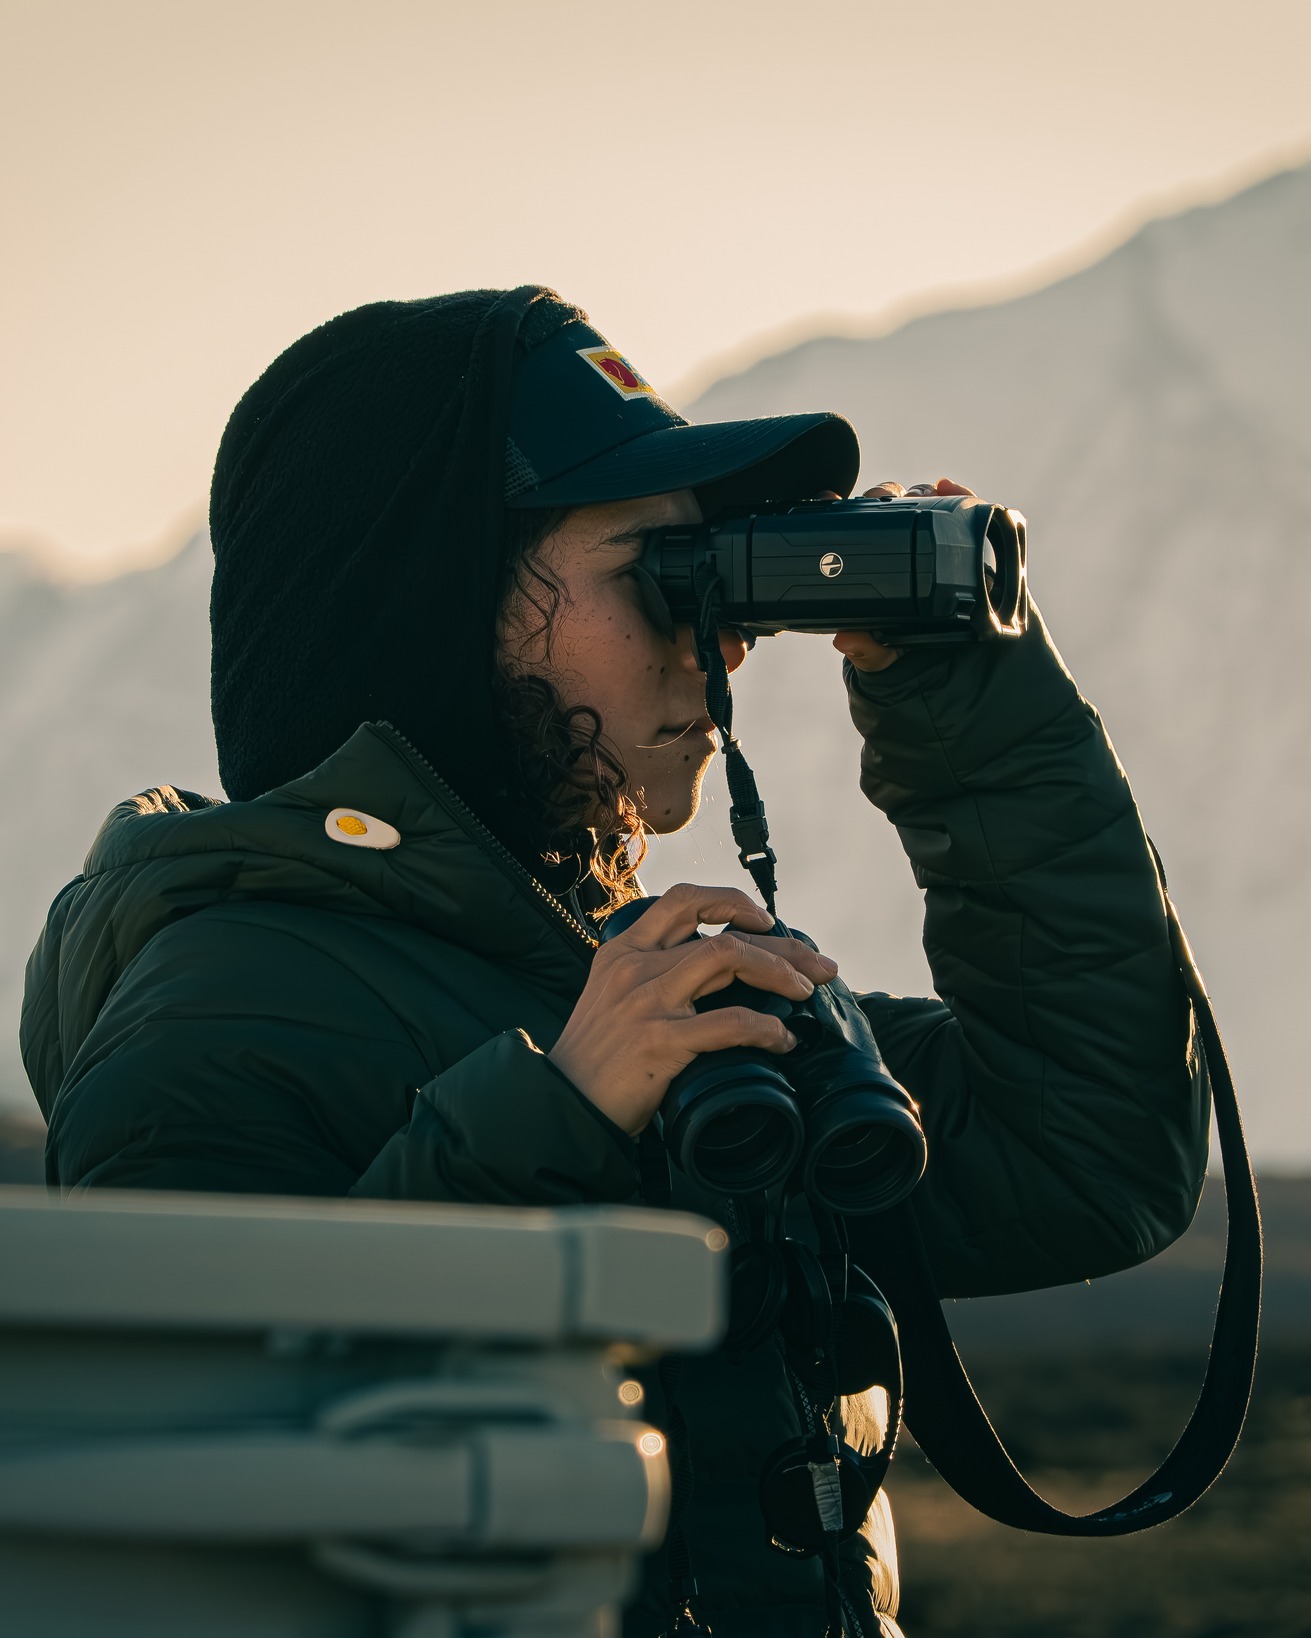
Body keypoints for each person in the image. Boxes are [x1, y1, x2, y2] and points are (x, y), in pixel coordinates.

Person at [21, 287, 1210, 1637]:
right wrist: (557, 1126)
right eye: (658, 570)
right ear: (432, 602)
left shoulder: (623, 984)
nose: (725, 636)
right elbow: (203, 1548)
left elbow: (1089, 1151)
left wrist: (966, 698)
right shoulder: (211, 1023)